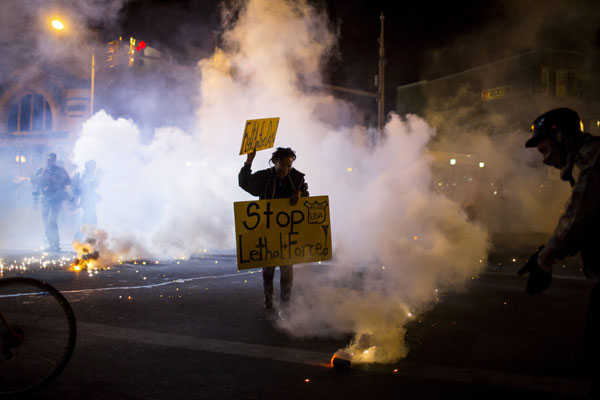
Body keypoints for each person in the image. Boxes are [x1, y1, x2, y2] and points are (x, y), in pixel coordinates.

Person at [524, 107, 600, 397]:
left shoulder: (593, 158)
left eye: (544, 149)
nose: (545, 159)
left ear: (560, 136)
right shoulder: (587, 159)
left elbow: (580, 215)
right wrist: (551, 250)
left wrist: (548, 255)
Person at [238, 147, 309, 311]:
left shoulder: (296, 178)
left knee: (287, 268)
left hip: (287, 233)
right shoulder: (265, 177)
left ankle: (285, 303)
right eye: (283, 165)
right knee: (268, 268)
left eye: (289, 166)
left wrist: (300, 194)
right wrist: (249, 162)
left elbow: (306, 194)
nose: (286, 169)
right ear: (275, 162)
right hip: (268, 231)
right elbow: (245, 183)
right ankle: (269, 299)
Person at [32, 153, 72, 252]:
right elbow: (34, 183)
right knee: (46, 223)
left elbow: (68, 182)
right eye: (47, 160)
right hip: (44, 199)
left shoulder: (60, 170)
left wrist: (55, 179)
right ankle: (51, 244)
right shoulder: (41, 170)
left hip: (56, 199)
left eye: (51, 160)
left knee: (52, 221)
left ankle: (56, 243)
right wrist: (41, 176)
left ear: (55, 160)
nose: (49, 162)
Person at [71, 160, 101, 240]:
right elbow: (88, 185)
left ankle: (85, 239)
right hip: (86, 201)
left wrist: (96, 195)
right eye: (92, 166)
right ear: (87, 166)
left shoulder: (89, 174)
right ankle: (78, 238)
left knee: (90, 220)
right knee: (89, 220)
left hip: (90, 201)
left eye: (94, 166)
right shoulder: (83, 174)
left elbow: (92, 188)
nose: (94, 168)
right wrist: (97, 176)